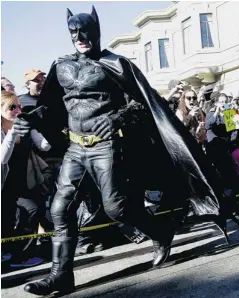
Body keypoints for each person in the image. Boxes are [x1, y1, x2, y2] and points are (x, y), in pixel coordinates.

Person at [20, 7, 227, 296]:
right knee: (60, 209)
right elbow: (51, 108)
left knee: (116, 208)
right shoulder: (62, 66)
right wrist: (30, 117)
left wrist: (116, 119)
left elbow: (141, 103)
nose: (79, 37)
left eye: (85, 31)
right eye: (73, 32)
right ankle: (60, 276)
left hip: (107, 146)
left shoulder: (114, 63)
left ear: (96, 30)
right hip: (76, 147)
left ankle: (160, 231)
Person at [1, 91, 51, 267]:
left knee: (33, 210)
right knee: (8, 218)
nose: (17, 110)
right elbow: (2, 159)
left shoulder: (24, 123)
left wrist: (38, 127)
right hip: (4, 182)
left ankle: (21, 255)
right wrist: (13, 132)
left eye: (19, 106)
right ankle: (11, 254)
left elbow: (44, 146)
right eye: (11, 107)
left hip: (24, 179)